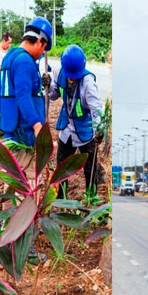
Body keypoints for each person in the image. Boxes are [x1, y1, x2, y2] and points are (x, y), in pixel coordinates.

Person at [49, 44, 104, 198]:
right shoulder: (59, 73)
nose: (72, 78)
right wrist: (46, 85)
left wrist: (99, 129)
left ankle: (91, 198)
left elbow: (96, 109)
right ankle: (61, 199)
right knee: (62, 167)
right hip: (66, 128)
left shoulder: (88, 83)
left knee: (89, 169)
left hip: (85, 131)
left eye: (75, 75)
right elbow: (53, 95)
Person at [0, 17, 52, 146]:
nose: (43, 52)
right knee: (23, 166)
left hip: (11, 128)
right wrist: (37, 125)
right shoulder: (24, 61)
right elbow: (23, 96)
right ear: (38, 41)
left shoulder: (9, 57)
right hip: (23, 134)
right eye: (44, 47)